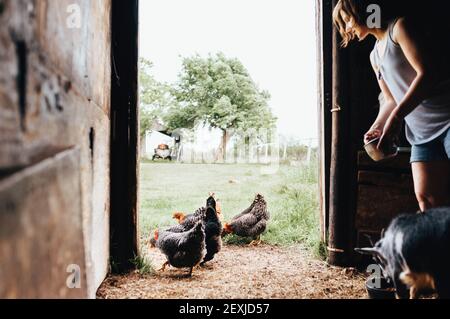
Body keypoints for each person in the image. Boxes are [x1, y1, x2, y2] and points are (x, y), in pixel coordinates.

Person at [333, 0, 450, 211]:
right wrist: (377, 127)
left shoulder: (399, 28)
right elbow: (390, 100)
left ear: (362, 10)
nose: (348, 28)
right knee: (427, 200)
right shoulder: (374, 56)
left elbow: (427, 74)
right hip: (422, 136)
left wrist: (396, 118)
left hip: (447, 120)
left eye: (348, 20)